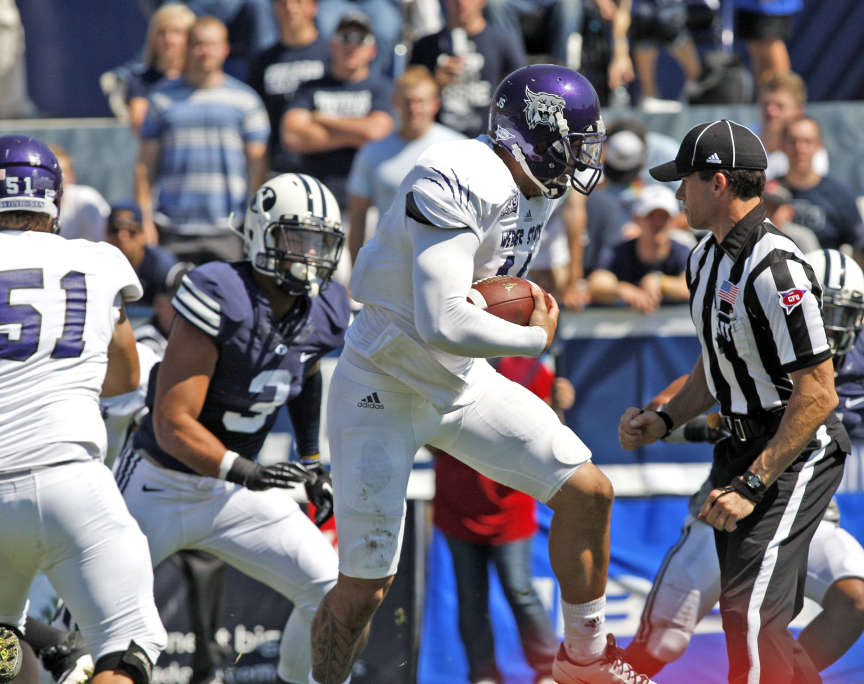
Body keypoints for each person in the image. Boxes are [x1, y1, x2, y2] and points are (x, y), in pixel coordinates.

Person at [310, 64, 658, 684]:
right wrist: (534, 339)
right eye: (574, 143)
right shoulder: (457, 174)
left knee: (589, 491)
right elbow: (443, 318)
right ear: (536, 134)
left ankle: (583, 658)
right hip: (382, 380)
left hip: (462, 380)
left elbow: (483, 302)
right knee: (364, 587)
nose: (581, 158)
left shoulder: (538, 185)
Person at [619, 119, 848, 684]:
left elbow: (818, 395)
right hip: (740, 449)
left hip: (795, 454)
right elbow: (714, 369)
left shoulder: (777, 266)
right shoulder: (703, 259)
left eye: (686, 182)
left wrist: (752, 485)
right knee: (748, 616)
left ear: (718, 183)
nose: (677, 195)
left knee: (748, 616)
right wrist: (666, 416)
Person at [114, 172, 348, 684]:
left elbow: (305, 374)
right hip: (158, 482)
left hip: (231, 487)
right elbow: (173, 424)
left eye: (321, 243)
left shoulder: (325, 306)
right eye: (297, 240)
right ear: (263, 235)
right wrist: (246, 471)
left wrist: (310, 463)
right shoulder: (221, 291)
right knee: (91, 630)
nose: (311, 256)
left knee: (330, 589)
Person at [0, 135, 167, 684]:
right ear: (55, 198)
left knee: (5, 648)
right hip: (73, 482)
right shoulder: (96, 261)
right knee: (129, 650)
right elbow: (124, 376)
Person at [432, 355, 575, 684]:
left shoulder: (531, 369)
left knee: (519, 588)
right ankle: (483, 674)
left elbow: (551, 435)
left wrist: (559, 406)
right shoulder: (442, 364)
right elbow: (427, 438)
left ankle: (548, 671)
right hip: (457, 504)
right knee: (471, 598)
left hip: (512, 504)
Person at [136, 15, 270, 262]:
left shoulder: (247, 101)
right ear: (187, 47)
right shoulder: (160, 99)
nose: (204, 51)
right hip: (171, 229)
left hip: (228, 230)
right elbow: (145, 166)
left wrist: (254, 224)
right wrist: (145, 220)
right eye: (198, 44)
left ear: (226, 49)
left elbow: (257, 166)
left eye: (212, 44)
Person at [346, 65, 464, 264]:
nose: (414, 109)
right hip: (388, 265)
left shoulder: (459, 148)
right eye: (407, 101)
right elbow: (357, 216)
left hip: (446, 262)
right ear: (395, 103)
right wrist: (356, 271)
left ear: (435, 104)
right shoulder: (372, 152)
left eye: (421, 102)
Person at [280, 11, 393, 212]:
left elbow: (376, 133)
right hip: (315, 202)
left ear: (373, 50)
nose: (352, 45)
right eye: (345, 37)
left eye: (360, 39)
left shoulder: (382, 89)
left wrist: (323, 119)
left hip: (369, 204)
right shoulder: (310, 87)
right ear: (332, 45)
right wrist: (356, 134)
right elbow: (292, 136)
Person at [408, 0, 525, 139]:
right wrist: (433, 82)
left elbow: (521, 91)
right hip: (439, 142)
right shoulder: (425, 45)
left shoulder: (503, 42)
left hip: (489, 141)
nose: (461, 3)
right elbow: (406, 95)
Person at [246, 0, 329, 173]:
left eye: (298, 2)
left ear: (313, 6)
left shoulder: (331, 55)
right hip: (279, 168)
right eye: (283, 3)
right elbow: (256, 119)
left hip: (327, 169)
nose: (290, 8)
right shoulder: (263, 61)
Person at [587, 184, 689, 313]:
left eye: (664, 216)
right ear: (636, 219)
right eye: (650, 216)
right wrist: (623, 290)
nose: (658, 222)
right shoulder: (617, 253)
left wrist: (661, 283)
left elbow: (695, 287)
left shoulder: (684, 252)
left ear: (674, 220)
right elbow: (596, 284)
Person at [779, 116, 864, 264]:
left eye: (807, 141)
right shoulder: (769, 191)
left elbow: (859, 244)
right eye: (793, 141)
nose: (799, 148)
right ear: (782, 145)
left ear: (819, 145)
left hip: (825, 278)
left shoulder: (839, 194)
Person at [106, 202, 188, 339]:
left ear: (143, 234)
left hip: (156, 340)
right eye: (115, 230)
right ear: (106, 233)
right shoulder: (99, 267)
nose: (122, 237)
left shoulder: (162, 267)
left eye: (131, 231)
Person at [127, 3, 196, 134]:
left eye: (177, 32)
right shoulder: (141, 79)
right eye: (161, 32)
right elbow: (141, 127)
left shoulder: (198, 78)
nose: (168, 39)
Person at [756, 70, 828, 180]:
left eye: (780, 106)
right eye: (766, 104)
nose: (770, 111)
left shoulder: (810, 150)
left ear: (798, 111)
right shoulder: (740, 140)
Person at [48, 144, 111, 243]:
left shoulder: (87, 199)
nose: (59, 179)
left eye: (63, 172)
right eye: (53, 173)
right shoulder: (30, 207)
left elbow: (107, 241)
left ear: (72, 176)